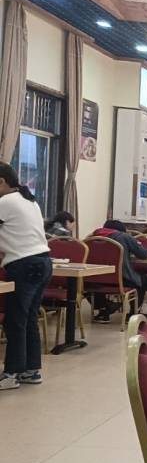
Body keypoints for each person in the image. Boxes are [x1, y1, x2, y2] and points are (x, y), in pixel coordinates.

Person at [0, 162, 53, 390]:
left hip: (24, 265)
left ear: (2, 182)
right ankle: (31, 370)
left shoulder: (6, 202)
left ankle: (11, 374)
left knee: (15, 320)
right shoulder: (29, 200)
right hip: (43, 262)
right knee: (28, 318)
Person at [89, 219, 147, 323]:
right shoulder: (124, 237)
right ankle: (133, 313)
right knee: (143, 280)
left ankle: (104, 309)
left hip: (94, 279)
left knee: (86, 286)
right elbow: (143, 255)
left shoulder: (91, 237)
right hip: (121, 279)